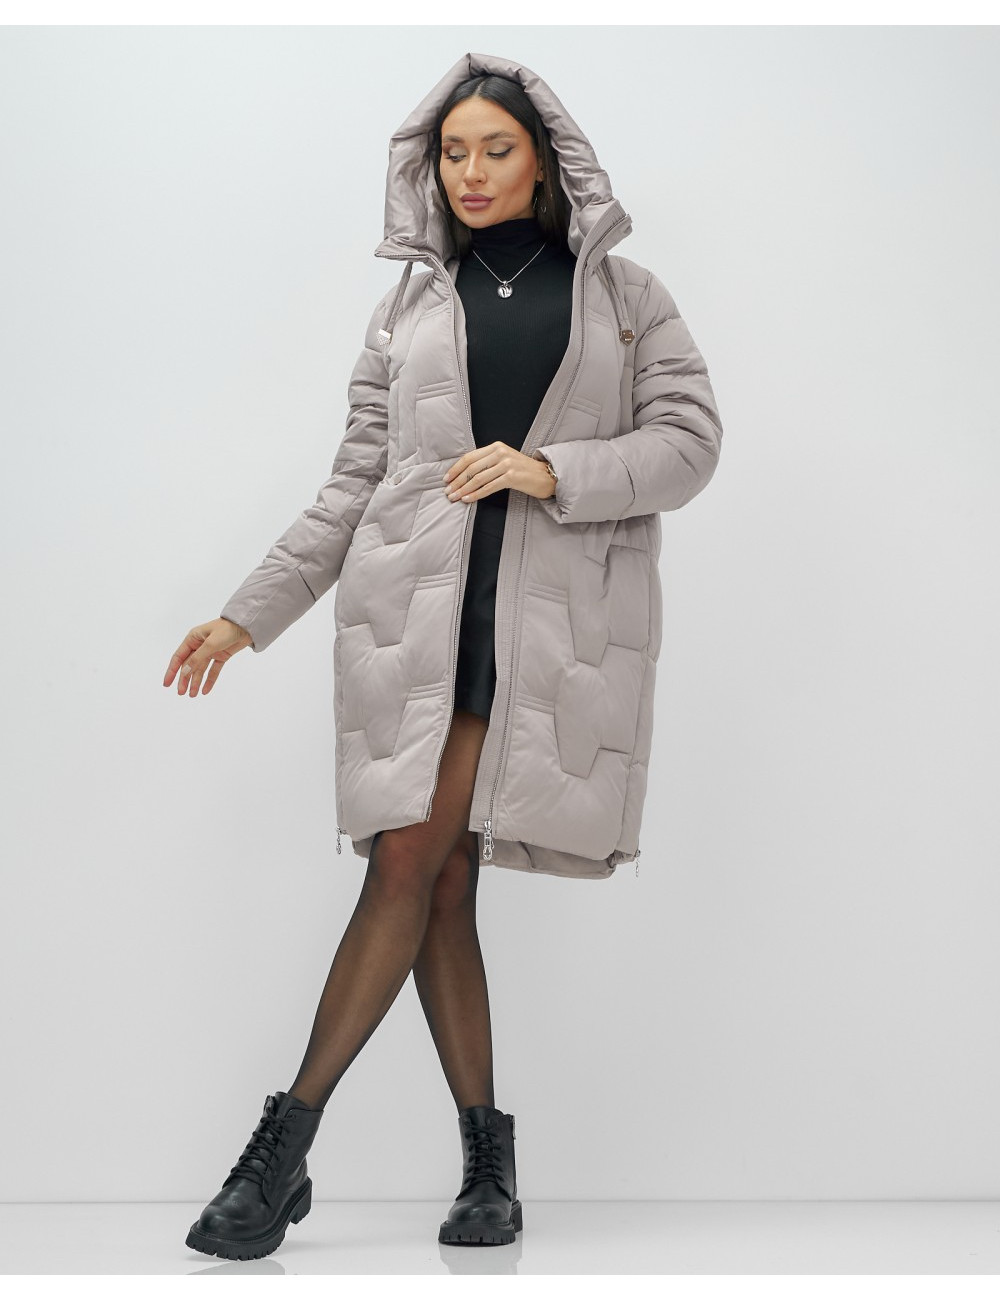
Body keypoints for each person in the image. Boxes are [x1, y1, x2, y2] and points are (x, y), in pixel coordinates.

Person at [164, 52, 723, 1260]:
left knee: (414, 861)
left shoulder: (625, 298)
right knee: (435, 872)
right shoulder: (406, 309)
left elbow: (688, 442)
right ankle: (480, 1168)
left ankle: (283, 1152)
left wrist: (550, 468)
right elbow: (354, 483)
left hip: (544, 631)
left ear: (545, 162)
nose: (470, 172)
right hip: (415, 622)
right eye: (452, 152)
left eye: (494, 150)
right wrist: (247, 613)